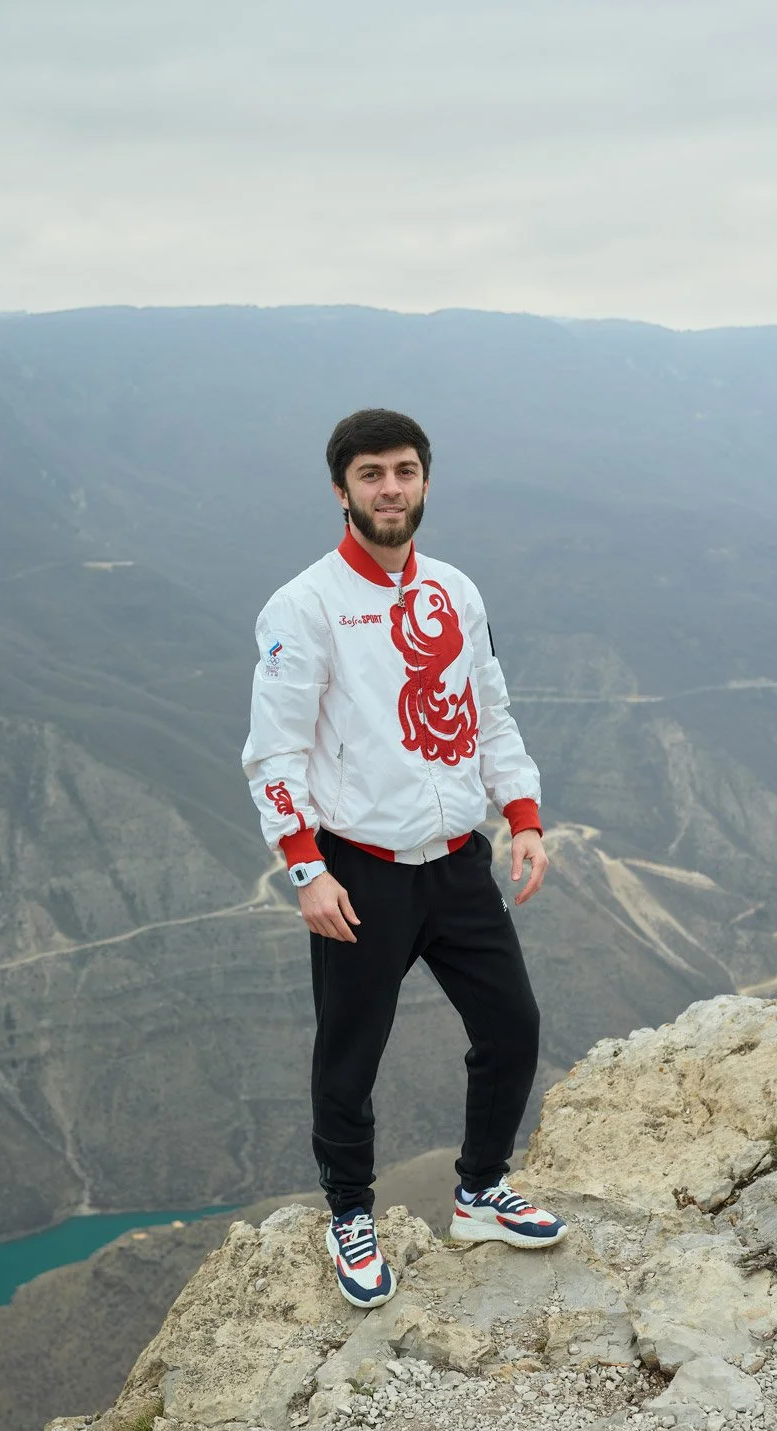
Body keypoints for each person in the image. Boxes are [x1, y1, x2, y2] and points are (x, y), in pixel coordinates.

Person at [243, 407, 567, 1308]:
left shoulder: (456, 593)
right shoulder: (303, 606)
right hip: (361, 872)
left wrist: (524, 815)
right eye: (373, 474)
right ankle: (352, 1215)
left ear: (426, 481)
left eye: (406, 471)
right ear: (341, 489)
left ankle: (480, 1190)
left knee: (512, 1026)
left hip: (459, 860)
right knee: (351, 1056)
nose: (392, 489)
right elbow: (274, 753)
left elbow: (490, 713)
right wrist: (306, 868)